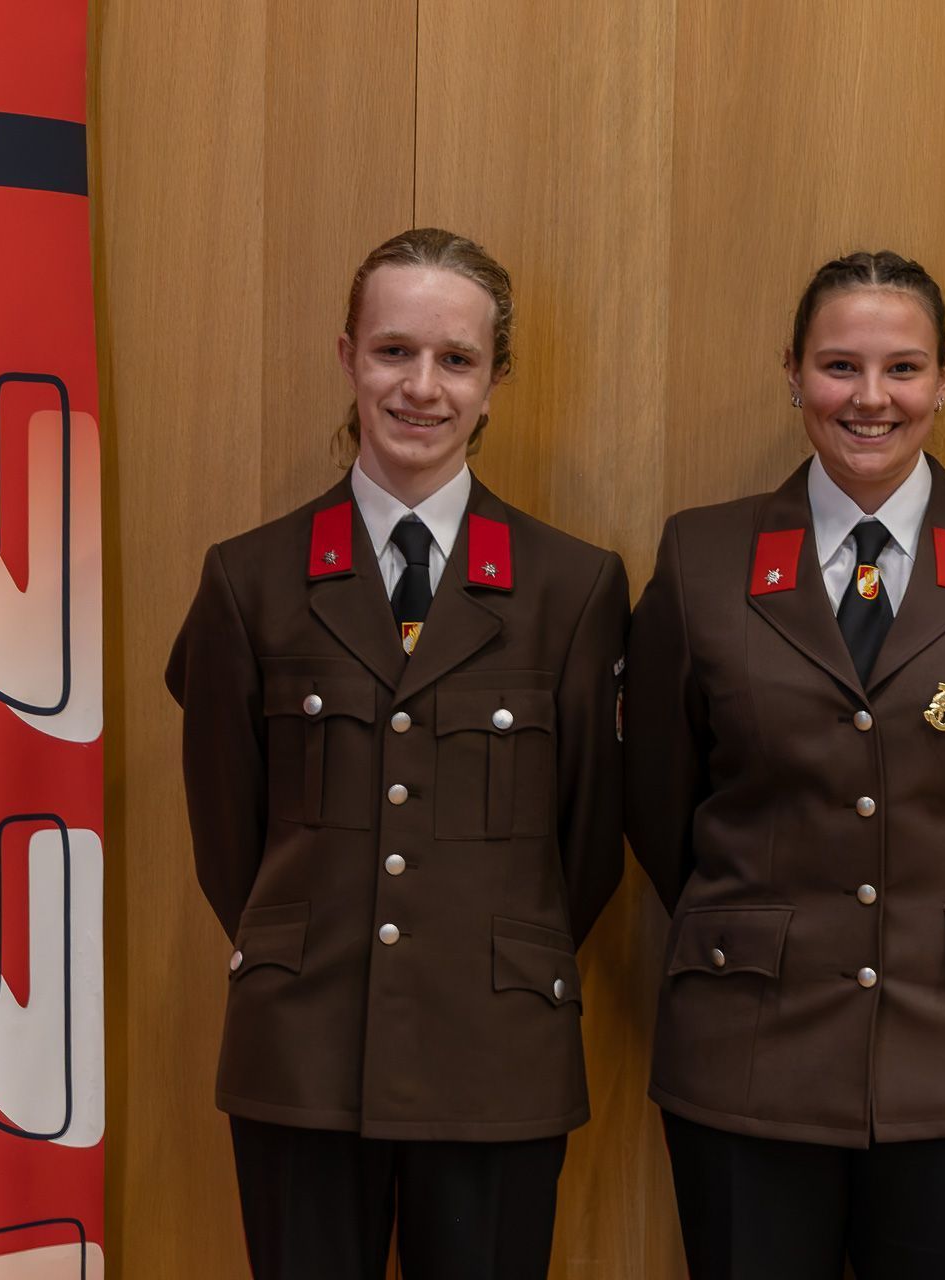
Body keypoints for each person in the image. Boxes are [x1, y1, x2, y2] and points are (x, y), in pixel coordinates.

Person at [624, 250, 945, 1279]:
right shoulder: (703, 557)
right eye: (841, 366)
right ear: (792, 372)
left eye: (904, 367)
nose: (872, 397)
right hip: (753, 1037)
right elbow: (659, 798)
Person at [165, 227, 628, 1280]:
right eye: (393, 351)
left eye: (456, 359)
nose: (422, 387)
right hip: (305, 1045)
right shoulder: (250, 580)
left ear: (496, 381)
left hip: (496, 1046)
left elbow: (588, 844)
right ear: (347, 357)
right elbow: (228, 834)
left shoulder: (575, 587)